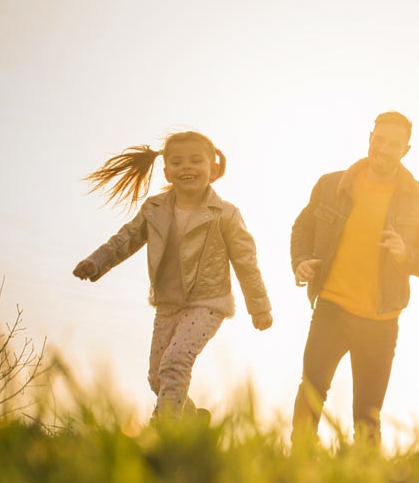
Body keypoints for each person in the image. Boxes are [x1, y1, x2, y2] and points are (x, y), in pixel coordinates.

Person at [72, 131, 272, 418]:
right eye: (177, 162)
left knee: (175, 362)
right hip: (167, 305)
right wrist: (96, 262)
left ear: (213, 169)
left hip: (208, 303)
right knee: (157, 378)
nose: (186, 168)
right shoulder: (154, 209)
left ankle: (165, 432)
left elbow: (246, 263)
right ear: (166, 171)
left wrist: (260, 308)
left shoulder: (225, 214)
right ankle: (191, 417)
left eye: (195, 161)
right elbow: (125, 239)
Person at [290, 111, 419, 444]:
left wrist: (407, 255)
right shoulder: (331, 184)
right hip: (331, 308)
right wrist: (300, 261)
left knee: (368, 414)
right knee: (311, 391)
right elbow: (302, 227)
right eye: (380, 139)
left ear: (406, 150)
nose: (384, 149)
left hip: (381, 320)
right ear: (370, 137)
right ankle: (297, 465)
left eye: (394, 144)